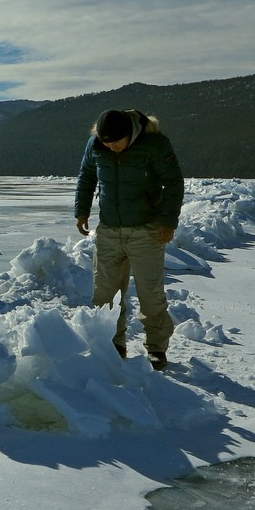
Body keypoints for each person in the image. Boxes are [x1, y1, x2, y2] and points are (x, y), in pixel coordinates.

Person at [75, 109, 183, 370]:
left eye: (117, 144)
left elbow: (173, 182)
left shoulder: (155, 144)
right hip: (109, 229)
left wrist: (168, 222)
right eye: (107, 144)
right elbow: (87, 176)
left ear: (130, 135)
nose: (112, 148)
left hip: (147, 230)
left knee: (150, 293)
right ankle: (113, 344)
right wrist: (82, 210)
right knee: (105, 293)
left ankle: (157, 348)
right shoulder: (96, 145)